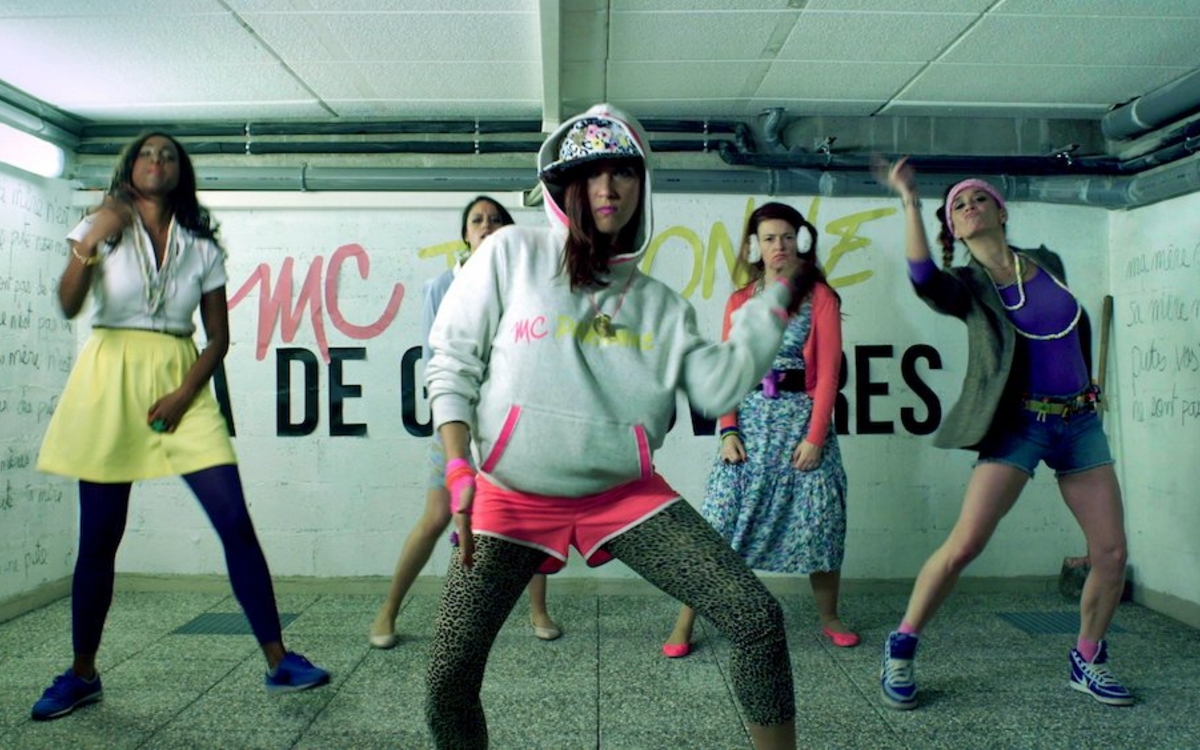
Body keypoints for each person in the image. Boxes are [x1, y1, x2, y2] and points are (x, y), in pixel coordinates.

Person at [422, 103, 800, 749]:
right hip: (509, 496)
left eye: (622, 172)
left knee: (756, 618)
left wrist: (768, 310)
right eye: (591, 174)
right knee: (447, 675)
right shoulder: (510, 253)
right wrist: (459, 467)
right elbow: (452, 363)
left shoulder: (659, 305)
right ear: (563, 187)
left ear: (640, 185)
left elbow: (715, 385)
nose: (607, 188)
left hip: (622, 497)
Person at [32, 132, 330, 721]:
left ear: (180, 173)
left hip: (180, 374)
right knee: (99, 538)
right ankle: (82, 673)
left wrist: (184, 392)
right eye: (147, 153)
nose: (157, 161)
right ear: (130, 167)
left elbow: (217, 337)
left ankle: (279, 660)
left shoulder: (200, 244)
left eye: (168, 156)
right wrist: (89, 241)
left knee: (235, 521)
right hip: (110, 373)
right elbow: (68, 304)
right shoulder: (102, 226)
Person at [877, 158, 1131, 710]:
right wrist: (909, 202)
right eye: (958, 207)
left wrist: (1086, 383)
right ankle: (901, 646)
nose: (969, 208)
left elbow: (1066, 332)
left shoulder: (1049, 263)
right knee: (965, 544)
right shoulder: (966, 288)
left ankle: (1087, 659)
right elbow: (922, 276)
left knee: (1110, 553)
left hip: (1079, 422)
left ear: (1000, 210)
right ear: (955, 228)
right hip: (1019, 425)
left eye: (978, 199)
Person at [664, 201, 854, 658]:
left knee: (822, 519)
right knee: (718, 522)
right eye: (769, 238)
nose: (779, 246)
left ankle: (829, 616)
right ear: (755, 246)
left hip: (801, 426)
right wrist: (728, 430)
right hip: (750, 424)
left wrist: (815, 437)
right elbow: (731, 370)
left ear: (802, 242)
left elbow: (828, 374)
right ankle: (685, 620)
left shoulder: (821, 297)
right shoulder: (739, 301)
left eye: (787, 237)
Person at [368, 196, 560, 649]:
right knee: (437, 515)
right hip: (459, 423)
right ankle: (388, 608)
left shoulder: (528, 286)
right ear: (465, 234)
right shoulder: (441, 286)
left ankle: (538, 609)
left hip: (515, 423)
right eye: (478, 220)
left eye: (496, 220)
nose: (487, 226)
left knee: (526, 521)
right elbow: (438, 360)